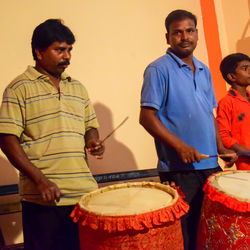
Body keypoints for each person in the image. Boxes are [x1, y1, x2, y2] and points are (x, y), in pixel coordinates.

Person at [0, 19, 104, 250]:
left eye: (69, 50)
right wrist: (40, 180)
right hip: (44, 199)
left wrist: (93, 141)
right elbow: (7, 140)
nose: (67, 56)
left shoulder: (77, 87)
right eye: (59, 50)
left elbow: (90, 125)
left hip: (84, 197)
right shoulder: (18, 89)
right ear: (39, 52)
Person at [139, 10, 237, 250]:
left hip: (210, 166)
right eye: (177, 32)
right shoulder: (158, 69)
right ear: (167, 37)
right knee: (187, 236)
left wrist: (221, 147)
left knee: (211, 231)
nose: (184, 37)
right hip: (179, 170)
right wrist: (180, 146)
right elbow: (147, 118)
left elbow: (209, 115)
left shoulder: (203, 70)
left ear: (196, 34)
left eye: (189, 31)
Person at [216, 53, 250, 170]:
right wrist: (247, 153)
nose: (249, 71)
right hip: (246, 167)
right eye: (245, 68)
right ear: (231, 77)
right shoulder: (226, 102)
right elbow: (223, 135)